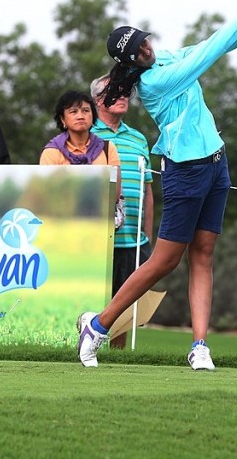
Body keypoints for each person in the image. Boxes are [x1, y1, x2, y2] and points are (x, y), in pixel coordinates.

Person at [76, 0, 237, 370]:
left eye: (145, 42)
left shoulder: (165, 58)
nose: (147, 51)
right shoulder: (154, 84)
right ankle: (98, 326)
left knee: (203, 255)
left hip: (217, 163)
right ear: (129, 62)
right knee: (164, 261)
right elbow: (208, 56)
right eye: (138, 51)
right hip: (185, 171)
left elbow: (206, 45)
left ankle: (200, 345)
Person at [90, 74, 155, 350]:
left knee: (123, 308)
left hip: (132, 241)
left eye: (126, 91)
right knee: (92, 303)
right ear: (97, 100)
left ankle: (116, 362)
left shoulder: (139, 138)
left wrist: (147, 237)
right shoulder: (87, 135)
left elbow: (148, 191)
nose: (124, 95)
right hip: (96, 240)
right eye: (116, 91)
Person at [39, 90, 121, 169]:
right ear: (62, 119)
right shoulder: (52, 152)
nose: (80, 116)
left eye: (85, 111)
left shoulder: (107, 148)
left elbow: (115, 183)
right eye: (74, 111)